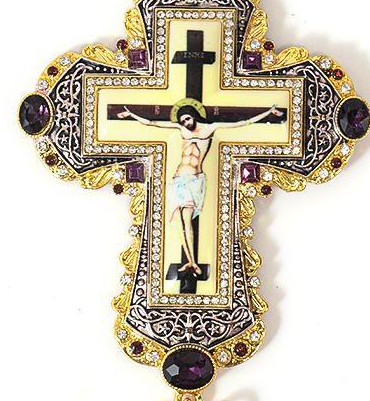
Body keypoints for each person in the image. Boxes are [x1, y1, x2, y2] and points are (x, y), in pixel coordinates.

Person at [117, 99, 283, 275]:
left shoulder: (210, 128)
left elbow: (242, 123)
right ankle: (190, 261)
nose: (185, 123)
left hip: (194, 181)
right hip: (178, 180)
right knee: (178, 222)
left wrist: (268, 112)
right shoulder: (182, 129)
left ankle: (193, 262)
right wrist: (131, 114)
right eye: (182, 121)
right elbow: (152, 123)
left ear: (194, 116)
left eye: (187, 119)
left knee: (187, 220)